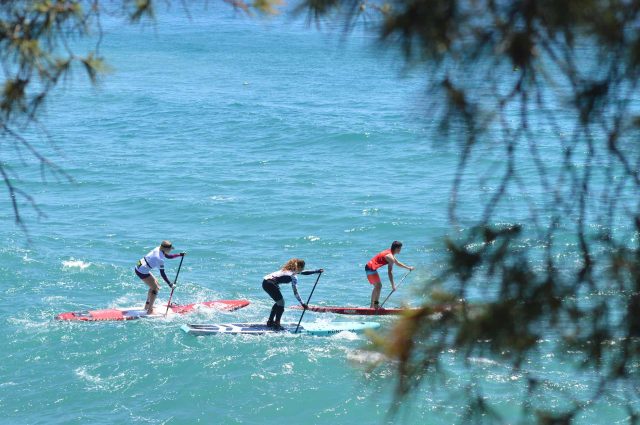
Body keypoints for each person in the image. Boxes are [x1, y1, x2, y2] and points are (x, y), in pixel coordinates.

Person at [262, 258, 323, 330]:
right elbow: (295, 292)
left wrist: (316, 271)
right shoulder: (293, 276)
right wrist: (302, 303)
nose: (303, 269)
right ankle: (277, 324)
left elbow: (303, 272)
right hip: (271, 284)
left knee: (278, 302)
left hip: (265, 283)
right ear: (299, 267)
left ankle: (270, 321)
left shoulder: (287, 270)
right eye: (303, 268)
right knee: (281, 303)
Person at [134, 240, 185, 314]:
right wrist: (170, 284)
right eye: (170, 249)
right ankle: (150, 310)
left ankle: (147, 305)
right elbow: (162, 274)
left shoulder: (158, 248)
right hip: (142, 271)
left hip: (139, 266)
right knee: (155, 288)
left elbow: (168, 256)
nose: (170, 251)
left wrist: (179, 255)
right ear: (166, 249)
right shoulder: (159, 259)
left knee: (155, 285)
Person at [365, 241, 414, 309]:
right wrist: (393, 285)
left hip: (369, 267)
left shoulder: (390, 252)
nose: (400, 250)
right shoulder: (390, 257)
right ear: (397, 248)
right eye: (400, 248)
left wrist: (408, 268)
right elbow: (390, 272)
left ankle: (372, 306)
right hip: (370, 268)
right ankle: (374, 306)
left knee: (377, 286)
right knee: (378, 286)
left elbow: (397, 263)